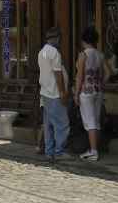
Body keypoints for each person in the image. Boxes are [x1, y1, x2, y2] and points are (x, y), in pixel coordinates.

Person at [74, 26, 110, 162]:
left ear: (84, 40)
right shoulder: (100, 54)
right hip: (98, 90)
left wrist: (76, 93)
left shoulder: (83, 55)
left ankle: (93, 151)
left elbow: (79, 76)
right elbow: (108, 72)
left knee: (90, 121)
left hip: (86, 91)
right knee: (96, 120)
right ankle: (95, 148)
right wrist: (101, 83)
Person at [38, 26, 71, 161]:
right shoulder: (55, 53)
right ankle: (59, 151)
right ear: (56, 38)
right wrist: (62, 92)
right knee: (62, 124)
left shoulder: (42, 52)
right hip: (55, 93)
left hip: (45, 92)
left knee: (49, 124)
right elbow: (58, 75)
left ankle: (49, 150)